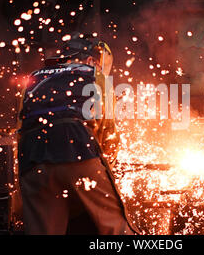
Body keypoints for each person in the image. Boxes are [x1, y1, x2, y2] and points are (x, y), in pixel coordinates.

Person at [17, 35, 138, 235]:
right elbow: (107, 132)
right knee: (114, 228)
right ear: (92, 60)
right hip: (77, 150)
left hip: (33, 160)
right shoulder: (93, 74)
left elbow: (21, 129)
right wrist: (109, 166)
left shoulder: (34, 77)